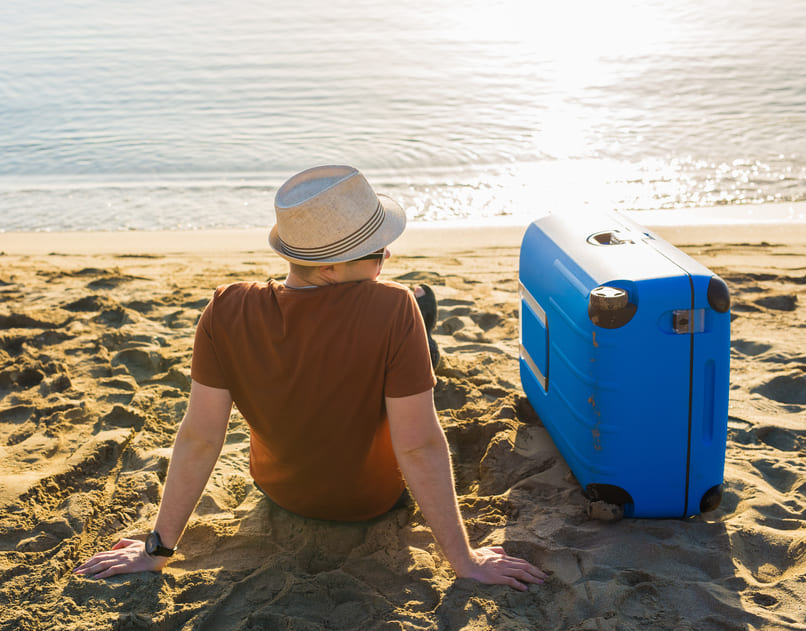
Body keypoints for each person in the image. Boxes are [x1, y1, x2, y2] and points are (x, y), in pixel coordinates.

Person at [74, 165, 546, 591]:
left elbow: (199, 437)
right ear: (331, 265)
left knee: (405, 307)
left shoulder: (224, 308)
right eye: (379, 252)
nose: (387, 259)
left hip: (280, 493)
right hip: (373, 501)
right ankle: (428, 330)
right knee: (417, 303)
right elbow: (419, 445)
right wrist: (463, 560)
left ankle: (423, 328)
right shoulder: (393, 306)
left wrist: (157, 549)